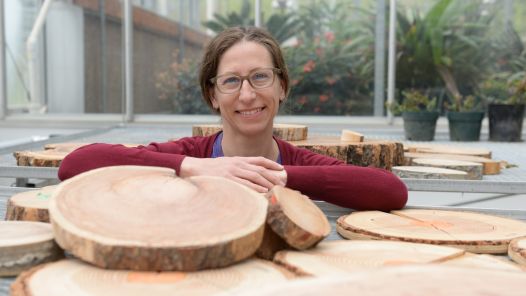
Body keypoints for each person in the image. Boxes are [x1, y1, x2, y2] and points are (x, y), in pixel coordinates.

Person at [58, 26, 407, 211]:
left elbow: (391, 191)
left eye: (260, 77)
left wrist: (276, 176)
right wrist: (194, 167)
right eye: (230, 81)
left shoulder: (297, 162)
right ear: (212, 95)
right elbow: (75, 164)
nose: (247, 95)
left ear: (282, 86)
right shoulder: (190, 153)